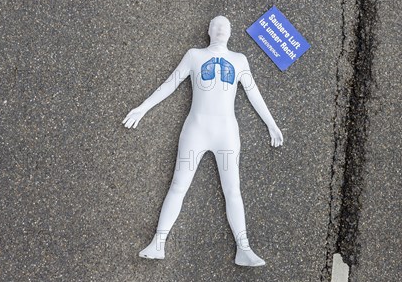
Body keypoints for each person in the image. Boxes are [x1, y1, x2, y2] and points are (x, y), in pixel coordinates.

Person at [122, 15, 284, 266]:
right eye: (216, 25)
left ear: (230, 33)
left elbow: (254, 94)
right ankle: (158, 242)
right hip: (195, 131)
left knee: (233, 190)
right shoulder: (194, 55)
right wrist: (143, 108)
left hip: (227, 133)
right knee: (178, 185)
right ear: (209, 31)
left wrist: (271, 124)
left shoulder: (240, 60)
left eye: (225, 26)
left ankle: (244, 248)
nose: (221, 29)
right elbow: (171, 83)